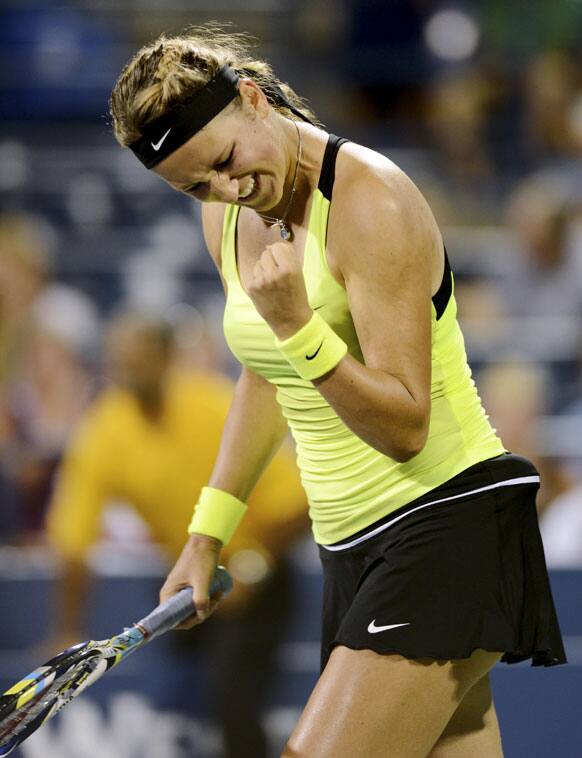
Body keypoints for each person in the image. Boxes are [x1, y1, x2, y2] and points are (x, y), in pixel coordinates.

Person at [108, 27, 566, 758]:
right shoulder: (224, 217)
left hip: (446, 526)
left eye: (225, 162)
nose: (225, 190)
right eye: (197, 185)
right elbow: (268, 375)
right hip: (350, 548)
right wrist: (207, 535)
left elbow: (405, 425)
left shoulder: (370, 200)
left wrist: (297, 326)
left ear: (253, 99)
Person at [46, 311, 309, 758]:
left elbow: (296, 503)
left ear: (168, 357)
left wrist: (254, 564)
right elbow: (73, 540)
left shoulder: (215, 404)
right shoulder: (105, 430)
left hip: (260, 573)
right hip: (188, 579)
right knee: (184, 685)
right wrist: (68, 629)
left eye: (141, 358)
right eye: (120, 360)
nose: (130, 370)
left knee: (233, 695)